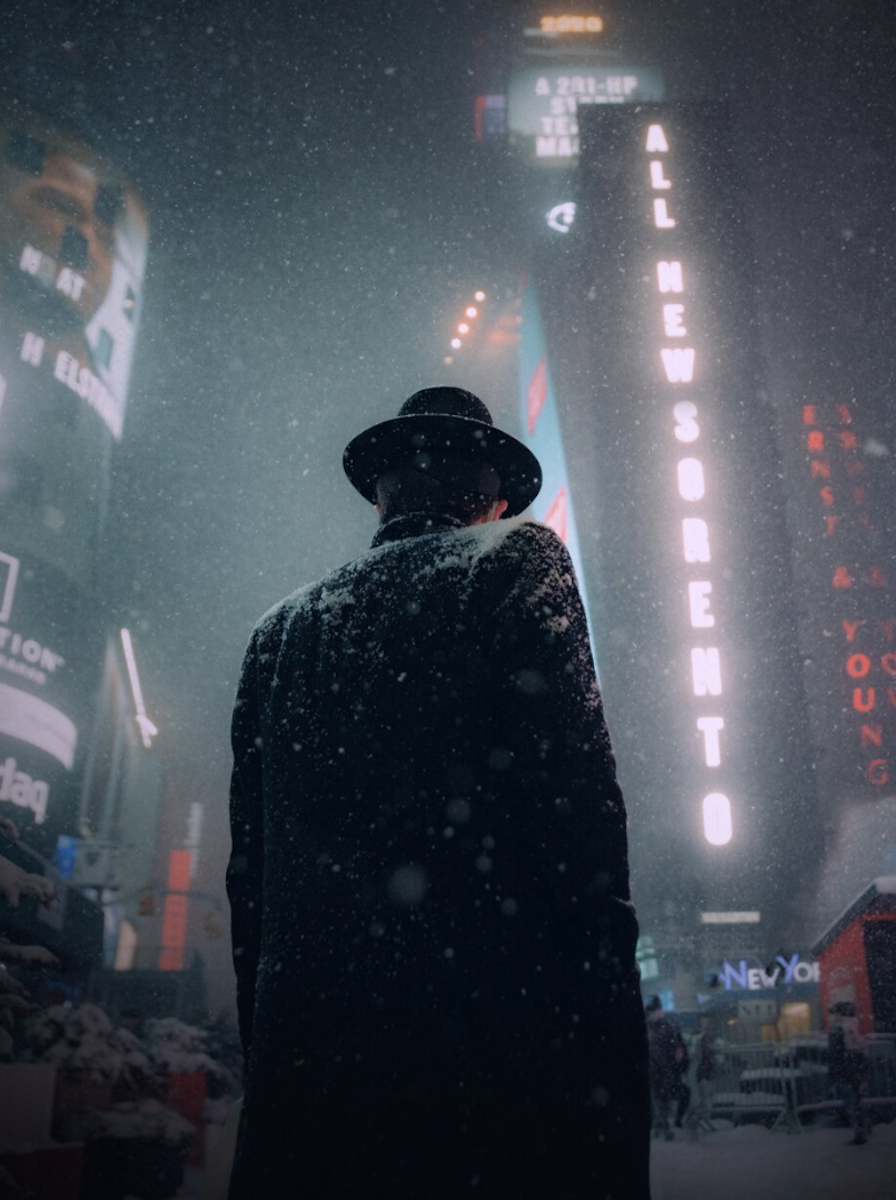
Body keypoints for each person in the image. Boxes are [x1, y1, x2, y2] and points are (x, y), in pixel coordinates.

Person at [226, 387, 650, 1199]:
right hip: (486, 1067)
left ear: (382, 492)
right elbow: (583, 832)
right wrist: (604, 1088)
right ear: (488, 495)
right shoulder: (515, 561)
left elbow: (251, 885)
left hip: (311, 1082)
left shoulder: (277, 633)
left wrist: (278, 1056)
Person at [646, 996, 689, 1141]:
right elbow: (677, 1051)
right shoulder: (665, 1028)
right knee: (661, 1099)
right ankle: (664, 1126)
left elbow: (675, 1051)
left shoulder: (657, 1029)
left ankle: (662, 1126)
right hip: (662, 1072)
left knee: (658, 1099)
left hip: (658, 1072)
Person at [828, 1000, 870, 1145]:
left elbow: (838, 1052)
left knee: (852, 1101)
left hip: (847, 1069)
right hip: (854, 1068)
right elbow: (860, 1049)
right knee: (857, 1099)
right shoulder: (853, 1026)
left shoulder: (841, 1029)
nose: (833, 1017)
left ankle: (860, 1132)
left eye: (835, 1013)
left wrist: (836, 1069)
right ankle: (863, 1129)